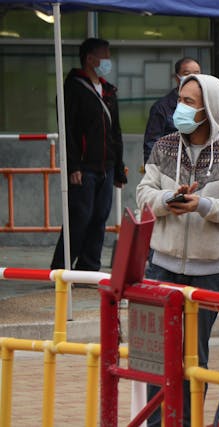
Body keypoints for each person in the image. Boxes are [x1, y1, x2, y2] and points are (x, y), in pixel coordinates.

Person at [136, 74, 219, 426]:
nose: (180, 107)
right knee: (157, 356)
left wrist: (202, 204)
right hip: (161, 266)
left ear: (210, 109)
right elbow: (143, 195)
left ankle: (186, 422)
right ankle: (158, 422)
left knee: (193, 357)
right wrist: (168, 200)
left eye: (189, 102)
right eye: (180, 99)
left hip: (207, 271)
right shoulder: (163, 146)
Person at [51, 38, 127, 271]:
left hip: (107, 165)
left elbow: (115, 130)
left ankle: (89, 267)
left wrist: (119, 166)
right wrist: (73, 165)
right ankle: (61, 268)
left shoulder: (108, 90)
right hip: (83, 167)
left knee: (99, 218)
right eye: (105, 55)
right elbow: (68, 130)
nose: (108, 60)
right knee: (79, 218)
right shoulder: (73, 88)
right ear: (90, 59)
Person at [143, 57, 201, 165]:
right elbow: (151, 145)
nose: (193, 78)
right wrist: (153, 173)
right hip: (170, 169)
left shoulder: (206, 105)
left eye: (197, 73)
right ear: (177, 77)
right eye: (187, 73)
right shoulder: (161, 107)